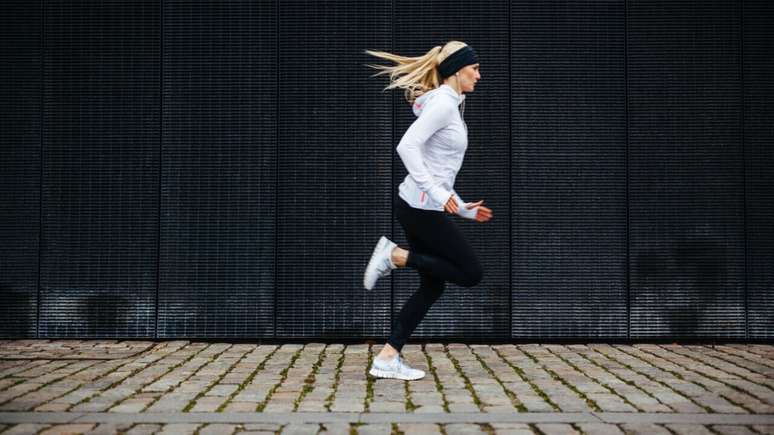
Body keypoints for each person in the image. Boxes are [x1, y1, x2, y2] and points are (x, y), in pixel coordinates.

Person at [361, 41, 493, 381]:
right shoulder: (444, 106)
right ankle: (395, 256)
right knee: (470, 273)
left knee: (432, 287)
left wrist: (461, 208)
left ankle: (387, 359)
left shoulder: (450, 104)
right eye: (474, 69)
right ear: (457, 70)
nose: (479, 75)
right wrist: (436, 192)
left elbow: (439, 167)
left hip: (418, 205)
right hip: (421, 208)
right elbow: (407, 146)